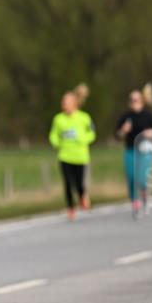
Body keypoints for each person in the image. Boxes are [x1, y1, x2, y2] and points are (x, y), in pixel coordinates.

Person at [48, 90, 96, 221]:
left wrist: (83, 139)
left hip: (80, 156)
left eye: (66, 102)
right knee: (68, 184)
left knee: (79, 184)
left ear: (74, 104)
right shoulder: (58, 119)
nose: (64, 104)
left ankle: (82, 196)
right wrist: (55, 142)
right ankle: (71, 208)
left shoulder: (84, 117)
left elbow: (92, 133)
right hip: (65, 156)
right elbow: (53, 135)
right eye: (63, 102)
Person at [114, 89, 152, 217]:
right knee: (132, 177)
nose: (134, 102)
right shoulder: (125, 117)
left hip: (145, 151)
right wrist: (123, 130)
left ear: (142, 101)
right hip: (130, 150)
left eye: (137, 100)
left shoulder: (148, 116)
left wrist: (151, 134)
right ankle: (135, 201)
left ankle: (144, 194)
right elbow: (117, 136)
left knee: (142, 178)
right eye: (132, 100)